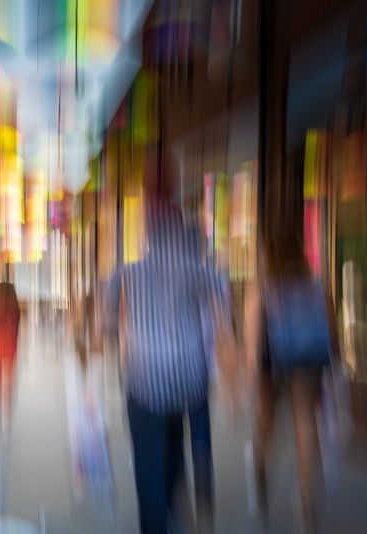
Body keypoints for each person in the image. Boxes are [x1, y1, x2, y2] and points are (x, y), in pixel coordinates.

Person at [106, 151, 237, 534]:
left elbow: (107, 315)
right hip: (188, 377)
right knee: (178, 435)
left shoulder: (128, 269)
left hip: (145, 378)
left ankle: (160, 518)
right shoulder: (197, 267)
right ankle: (189, 493)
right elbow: (221, 301)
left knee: (149, 460)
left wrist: (109, 337)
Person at [244, 236, 337, 532]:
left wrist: (252, 376)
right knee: (306, 423)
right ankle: (306, 499)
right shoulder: (318, 288)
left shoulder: (262, 289)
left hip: (273, 360)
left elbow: (253, 340)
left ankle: (260, 474)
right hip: (308, 359)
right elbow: (331, 332)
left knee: (266, 424)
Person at [0, 281, 20, 437]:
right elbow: (17, 329)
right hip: (10, 346)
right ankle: (8, 424)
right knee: (9, 385)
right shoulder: (15, 308)